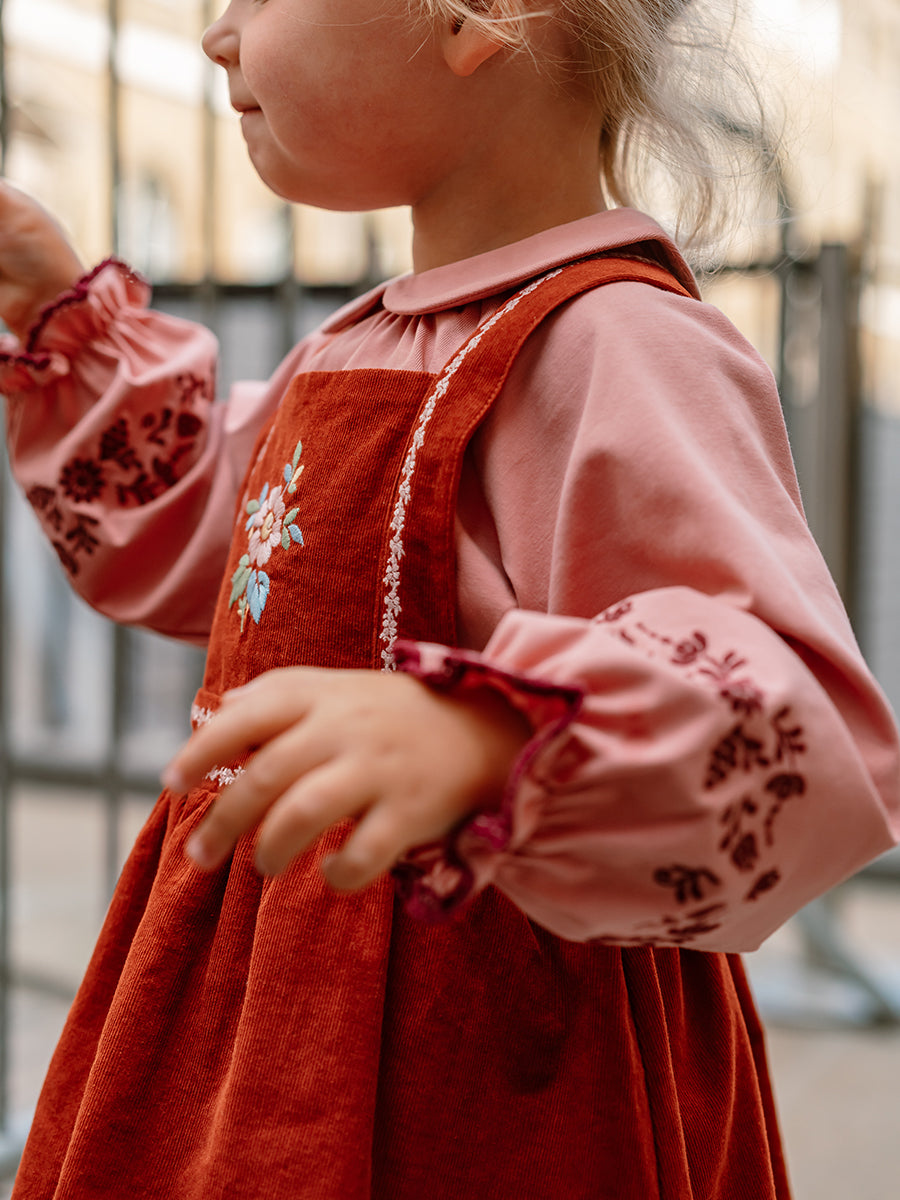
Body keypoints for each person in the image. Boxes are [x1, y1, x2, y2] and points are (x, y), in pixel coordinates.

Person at [0, 1, 897, 1197]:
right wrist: (59, 314)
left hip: (476, 1063)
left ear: (481, 17)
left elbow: (793, 711)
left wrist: (497, 739)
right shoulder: (362, 342)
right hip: (249, 1012)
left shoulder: (619, 343)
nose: (219, 33)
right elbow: (216, 533)